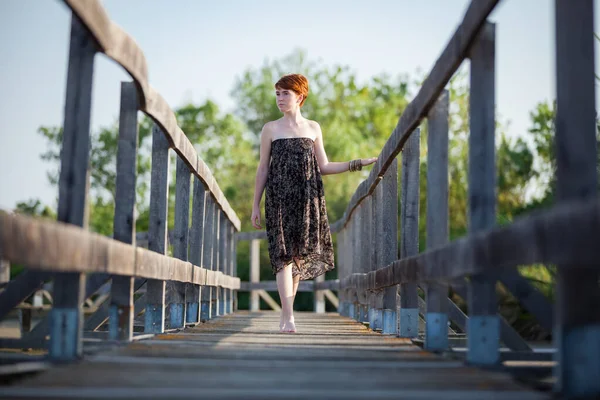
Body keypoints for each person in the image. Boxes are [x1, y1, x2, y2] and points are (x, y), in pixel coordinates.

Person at [251, 73, 377, 333]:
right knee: (283, 257)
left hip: (308, 198)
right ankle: (288, 316)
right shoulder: (270, 129)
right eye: (277, 93)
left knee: (297, 259)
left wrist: (357, 163)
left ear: (300, 95)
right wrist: (255, 205)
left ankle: (288, 315)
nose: (280, 98)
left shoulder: (313, 127)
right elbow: (262, 168)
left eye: (285, 93)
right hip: (278, 199)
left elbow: (325, 166)